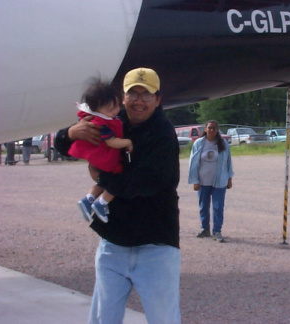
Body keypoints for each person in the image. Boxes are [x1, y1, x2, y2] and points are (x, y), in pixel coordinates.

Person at [55, 67, 181, 324]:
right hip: (112, 244)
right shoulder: (110, 122)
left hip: (155, 246)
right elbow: (66, 145)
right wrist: (69, 134)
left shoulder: (163, 133)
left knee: (163, 319)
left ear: (158, 100)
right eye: (132, 94)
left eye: (146, 95)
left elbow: (147, 181)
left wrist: (102, 179)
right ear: (122, 98)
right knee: (103, 319)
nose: (138, 101)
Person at [69, 78, 133, 223]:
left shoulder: (98, 117)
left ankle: (88, 200)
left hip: (98, 158)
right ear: (96, 109)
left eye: (117, 105)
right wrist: (128, 142)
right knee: (118, 181)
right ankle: (101, 203)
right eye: (111, 109)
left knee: (104, 181)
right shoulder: (101, 123)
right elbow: (111, 142)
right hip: (105, 158)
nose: (116, 110)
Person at [188, 120, 234, 243]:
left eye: (214, 128)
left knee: (218, 207)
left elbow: (228, 161)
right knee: (203, 206)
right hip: (203, 181)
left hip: (220, 181)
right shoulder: (199, 143)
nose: (212, 130)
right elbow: (193, 162)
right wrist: (195, 180)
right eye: (209, 128)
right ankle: (205, 229)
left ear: (217, 130)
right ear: (205, 129)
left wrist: (229, 178)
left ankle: (217, 231)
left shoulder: (223, 143)